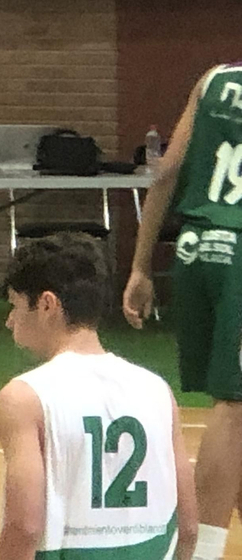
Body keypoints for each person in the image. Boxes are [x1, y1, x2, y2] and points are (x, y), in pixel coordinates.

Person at [0, 233, 196, 560]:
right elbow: (187, 526)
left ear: (47, 304)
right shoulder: (157, 390)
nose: (9, 321)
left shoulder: (24, 397)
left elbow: (26, 526)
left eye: (15, 305)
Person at [124, 61, 242, 560]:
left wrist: (140, 267)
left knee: (231, 407)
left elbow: (166, 171)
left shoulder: (214, 79)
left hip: (195, 249)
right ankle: (202, 551)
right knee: (234, 408)